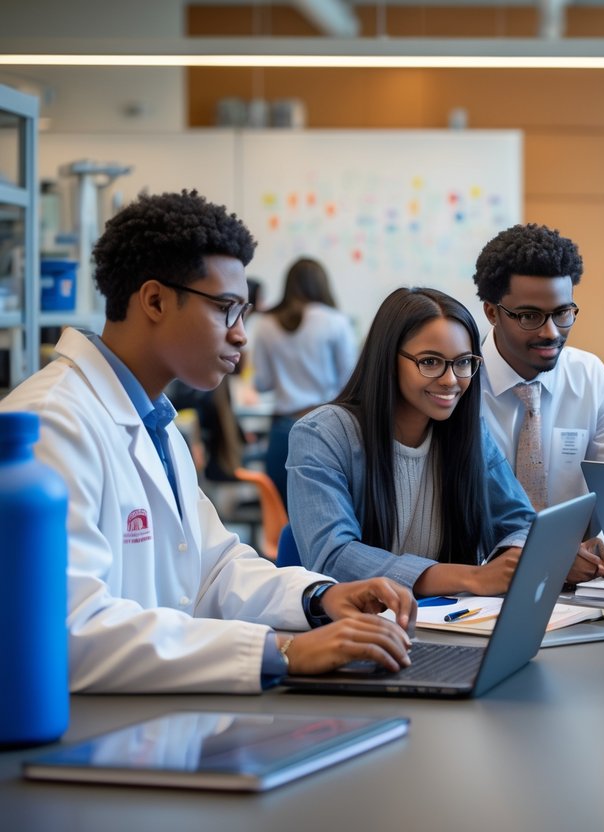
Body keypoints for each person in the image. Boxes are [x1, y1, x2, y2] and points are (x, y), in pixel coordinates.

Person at [0, 190, 415, 694]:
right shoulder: (50, 423)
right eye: (227, 309)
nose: (240, 335)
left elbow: (214, 568)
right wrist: (281, 650)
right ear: (154, 300)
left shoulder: (155, 422)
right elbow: (70, 630)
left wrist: (320, 597)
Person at [287, 287, 537, 596]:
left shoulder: (469, 433)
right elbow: (334, 558)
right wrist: (469, 577)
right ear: (388, 359)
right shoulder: (323, 435)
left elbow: (523, 524)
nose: (451, 380)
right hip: (357, 629)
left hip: (450, 622)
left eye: (463, 362)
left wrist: (514, 557)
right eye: (430, 362)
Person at [473, 223, 604, 582]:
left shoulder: (589, 376)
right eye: (529, 316)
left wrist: (603, 543)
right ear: (492, 312)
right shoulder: (459, 381)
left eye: (562, 313)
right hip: (480, 581)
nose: (551, 332)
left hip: (582, 585)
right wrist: (540, 555)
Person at [253, 257, 358, 507]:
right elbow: (351, 381)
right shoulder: (335, 321)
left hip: (281, 429)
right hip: (325, 427)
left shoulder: (266, 324)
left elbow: (262, 383)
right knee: (324, 513)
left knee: (281, 518)